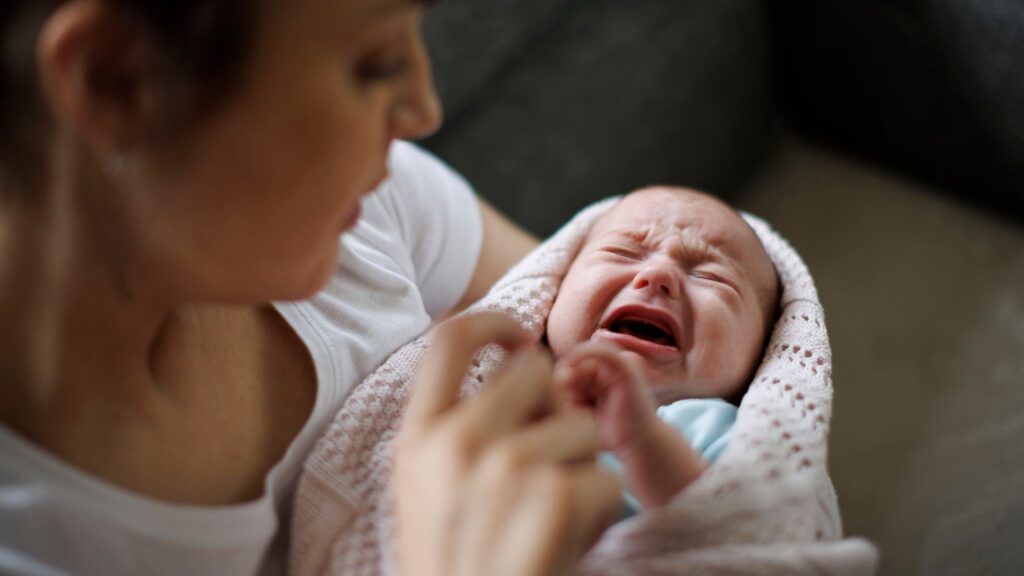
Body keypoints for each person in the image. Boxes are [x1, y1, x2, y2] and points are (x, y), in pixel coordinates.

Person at [0, 1, 621, 575]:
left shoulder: (357, 210)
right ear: (116, 81)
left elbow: (685, 327)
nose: (424, 110)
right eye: (375, 65)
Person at [547, 187, 780, 511]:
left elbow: (736, 531)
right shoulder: (510, 379)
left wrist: (640, 439)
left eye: (711, 276)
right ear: (554, 288)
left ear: (764, 353)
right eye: (622, 252)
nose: (658, 274)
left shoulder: (722, 429)